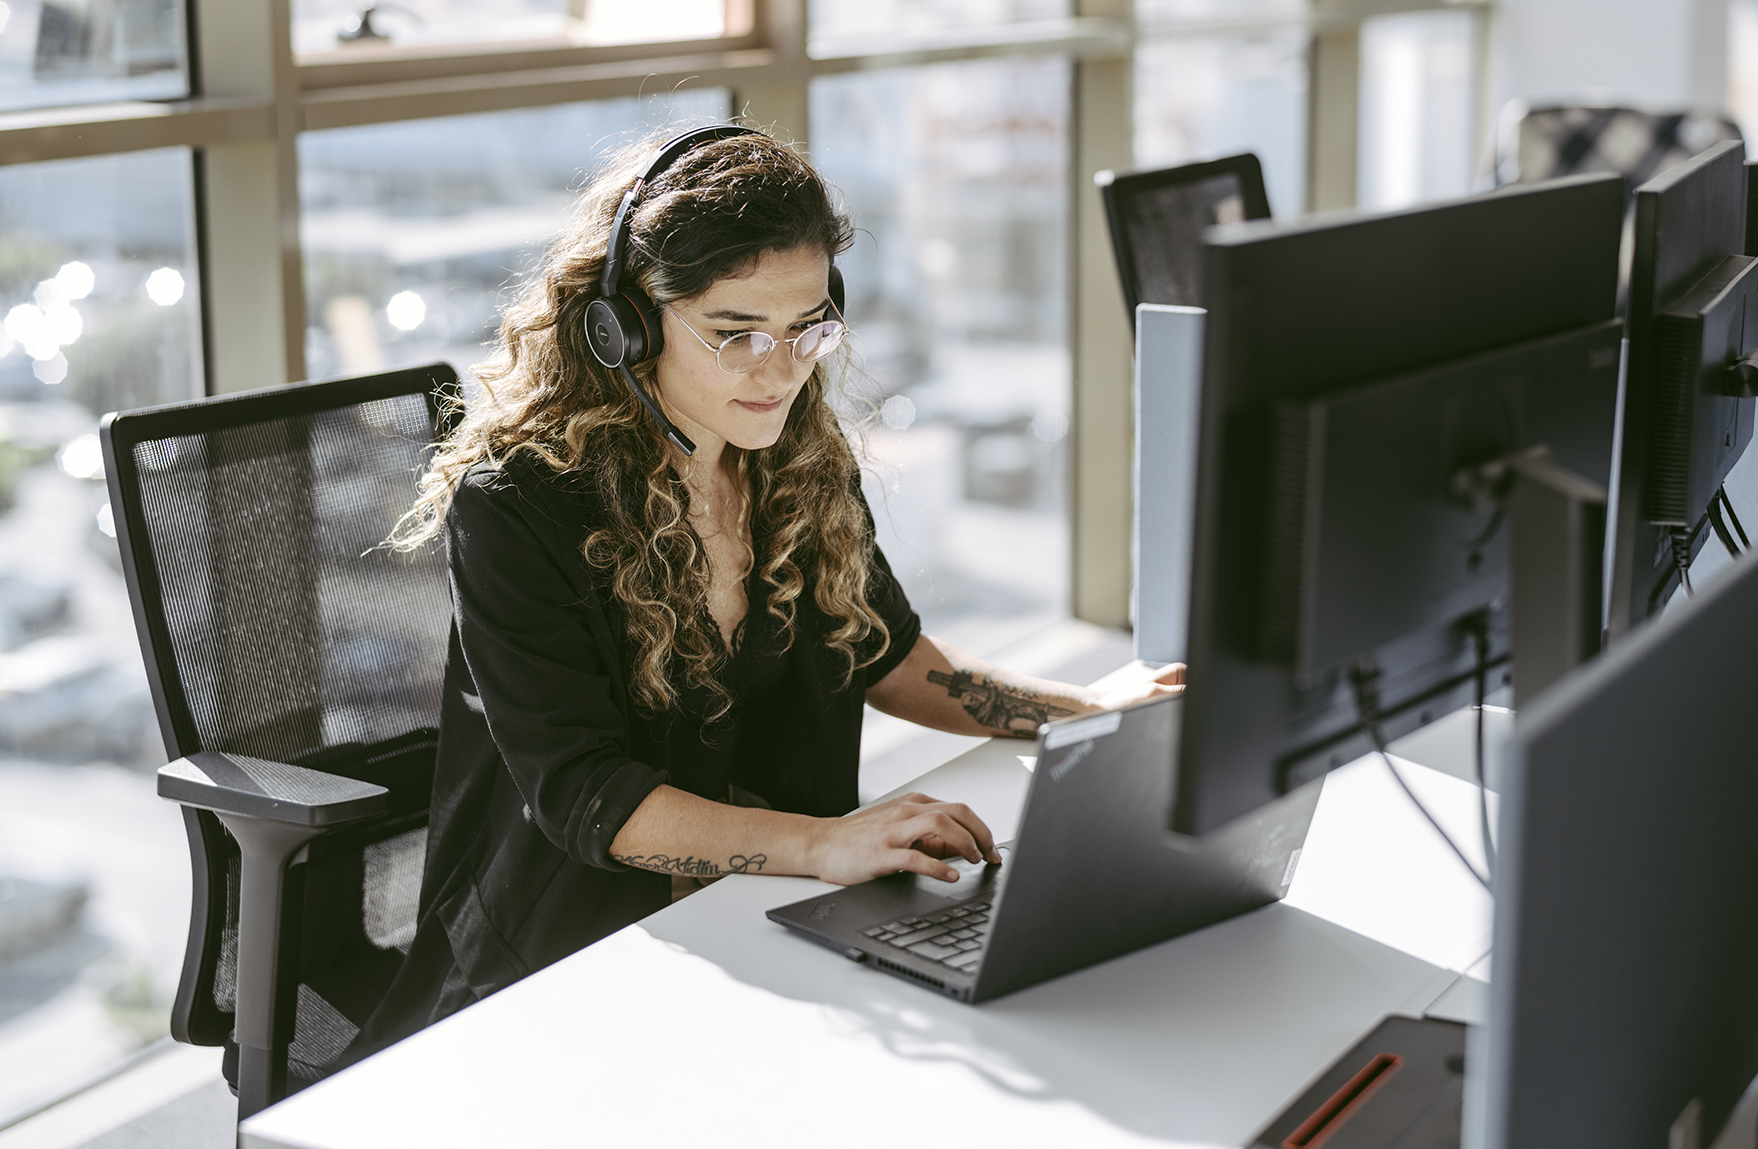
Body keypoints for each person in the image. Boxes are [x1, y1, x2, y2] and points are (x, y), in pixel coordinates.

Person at [346, 125, 1179, 1058]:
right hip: (571, 957)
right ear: (624, 323)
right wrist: (831, 846)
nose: (780, 370)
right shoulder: (520, 504)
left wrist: (1088, 711)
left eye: (806, 329)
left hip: (771, 908)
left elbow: (888, 654)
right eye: (734, 334)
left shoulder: (795, 458)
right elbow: (588, 798)